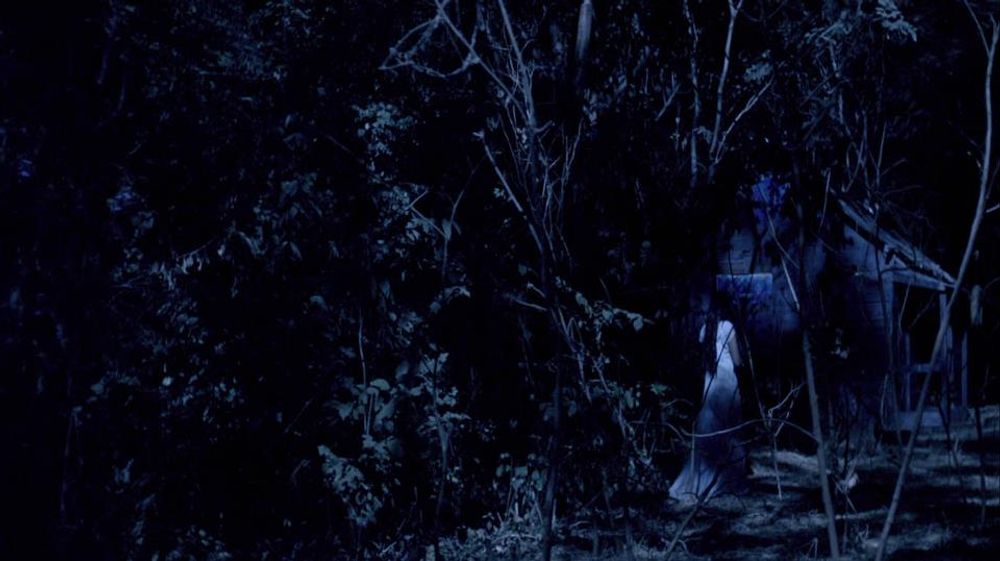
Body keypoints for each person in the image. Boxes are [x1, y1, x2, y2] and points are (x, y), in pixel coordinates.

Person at [669, 295, 747, 503]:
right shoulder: (728, 327)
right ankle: (729, 480)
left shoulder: (705, 330)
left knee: (710, 430)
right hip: (727, 383)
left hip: (711, 385)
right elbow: (737, 361)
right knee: (730, 430)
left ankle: (706, 478)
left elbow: (705, 359)